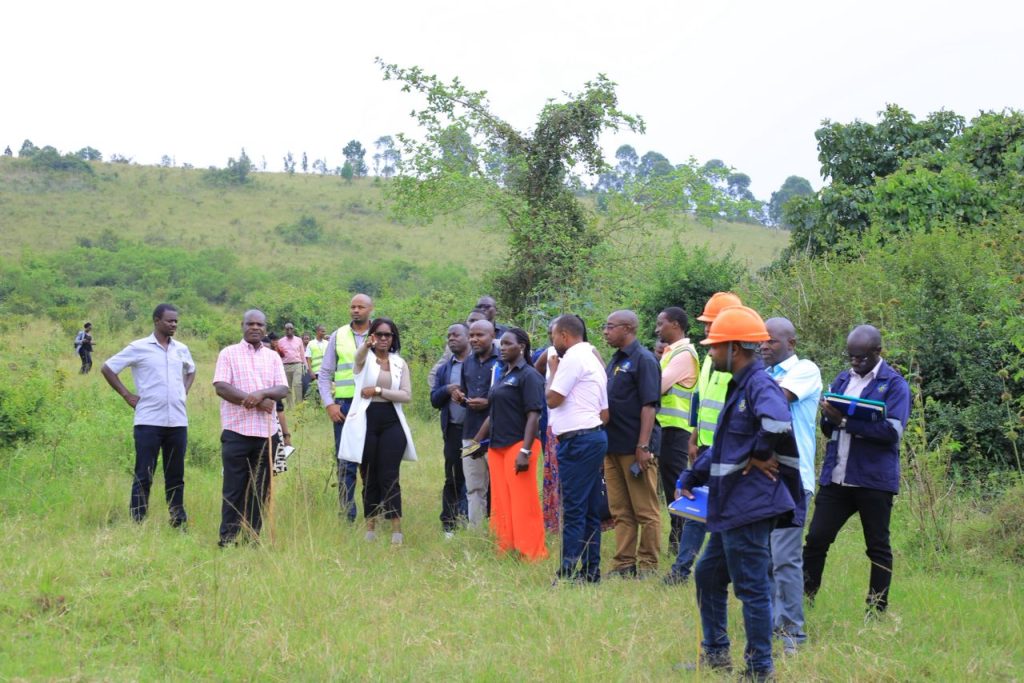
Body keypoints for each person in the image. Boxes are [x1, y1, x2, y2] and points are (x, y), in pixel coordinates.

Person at [679, 305, 805, 680]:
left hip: (751, 503)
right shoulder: (740, 385)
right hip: (731, 502)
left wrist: (761, 453)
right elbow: (724, 447)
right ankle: (716, 656)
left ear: (736, 348)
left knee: (752, 589)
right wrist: (692, 476)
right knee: (708, 576)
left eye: (715, 347)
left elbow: (778, 422)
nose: (710, 353)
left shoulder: (759, 385)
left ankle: (759, 670)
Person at [803, 324, 910, 615]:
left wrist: (846, 422)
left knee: (877, 546)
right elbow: (828, 429)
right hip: (837, 478)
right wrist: (828, 416)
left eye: (861, 357)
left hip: (873, 480)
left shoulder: (895, 385)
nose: (854, 362)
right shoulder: (841, 379)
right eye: (851, 356)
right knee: (815, 540)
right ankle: (804, 601)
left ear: (878, 352)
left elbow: (892, 433)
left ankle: (876, 611)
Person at [664, 292, 743, 586]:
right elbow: (701, 396)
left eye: (712, 322)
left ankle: (715, 572)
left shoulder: (739, 359)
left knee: (723, 514)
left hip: (730, 450)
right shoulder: (712, 355)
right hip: (707, 446)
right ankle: (681, 570)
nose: (707, 328)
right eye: (707, 323)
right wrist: (694, 435)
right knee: (696, 507)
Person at [101, 303, 196, 527]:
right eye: (169, 320)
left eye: (176, 321)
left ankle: (177, 520)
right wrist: (127, 395)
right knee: (144, 474)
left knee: (176, 475)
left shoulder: (181, 348)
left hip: (177, 422)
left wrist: (184, 390)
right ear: (156, 320)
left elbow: (191, 369)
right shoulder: (139, 347)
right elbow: (108, 368)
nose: (174, 324)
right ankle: (138, 522)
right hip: (149, 422)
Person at [759, 317, 822, 653]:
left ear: (791, 343)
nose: (764, 346)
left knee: (784, 557)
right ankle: (768, 627)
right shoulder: (763, 375)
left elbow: (776, 399)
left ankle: (792, 633)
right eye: (760, 341)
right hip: (762, 477)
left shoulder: (805, 370)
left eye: (771, 341)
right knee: (763, 557)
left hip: (792, 480)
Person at [212, 309, 289, 547]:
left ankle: (252, 538)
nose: (255, 328)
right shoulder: (228, 353)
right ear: (242, 326)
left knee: (260, 490)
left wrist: (262, 393)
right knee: (234, 488)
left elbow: (282, 389)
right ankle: (227, 538)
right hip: (237, 432)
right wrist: (255, 400)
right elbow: (222, 387)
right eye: (250, 324)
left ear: (265, 328)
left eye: (260, 324)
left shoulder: (273, 357)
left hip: (266, 434)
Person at [470, 328, 547, 560]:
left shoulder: (529, 375)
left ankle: (532, 553)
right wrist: (477, 442)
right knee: (501, 502)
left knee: (523, 501)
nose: (501, 348)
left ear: (522, 346)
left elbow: (534, 414)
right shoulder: (504, 373)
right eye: (500, 344)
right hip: (497, 446)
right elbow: (494, 413)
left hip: (519, 445)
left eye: (507, 344)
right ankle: (505, 548)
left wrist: (525, 450)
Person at [338, 318, 417, 545]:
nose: (383, 339)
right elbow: (357, 359)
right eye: (379, 334)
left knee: (390, 476)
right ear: (372, 336)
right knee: (370, 476)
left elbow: (406, 395)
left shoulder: (399, 363)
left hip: (392, 422)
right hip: (366, 422)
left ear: (393, 338)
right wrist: (366, 345)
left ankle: (396, 531)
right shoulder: (365, 359)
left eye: (388, 335)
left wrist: (379, 390)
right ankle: (370, 529)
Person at [546, 314, 609, 583]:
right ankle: (591, 571)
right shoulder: (594, 359)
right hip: (594, 437)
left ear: (563, 335)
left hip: (577, 442)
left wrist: (552, 371)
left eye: (552, 337)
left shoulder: (571, 358)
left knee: (573, 509)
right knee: (591, 509)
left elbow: (552, 399)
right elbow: (605, 413)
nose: (552, 343)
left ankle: (567, 573)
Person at [602, 309, 663, 578]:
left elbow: (649, 405)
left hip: (635, 448)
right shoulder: (615, 360)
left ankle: (648, 565)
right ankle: (624, 564)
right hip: (612, 446)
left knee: (645, 510)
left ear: (627, 328)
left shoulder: (644, 360)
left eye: (610, 326)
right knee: (620, 510)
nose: (605, 331)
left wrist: (643, 446)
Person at [318, 294, 374, 522]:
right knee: (345, 463)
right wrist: (329, 404)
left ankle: (373, 513)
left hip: (373, 405)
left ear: (371, 309)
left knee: (372, 461)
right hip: (344, 407)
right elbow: (324, 373)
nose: (356, 310)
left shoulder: (380, 332)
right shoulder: (339, 335)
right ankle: (347, 515)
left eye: (361, 307)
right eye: (352, 306)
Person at [654, 306, 699, 557]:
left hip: (676, 430)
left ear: (676, 325)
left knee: (676, 487)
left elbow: (656, 386)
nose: (657, 328)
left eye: (661, 323)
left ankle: (680, 542)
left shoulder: (684, 353)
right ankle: (676, 541)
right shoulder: (671, 352)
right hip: (666, 429)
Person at [430, 323, 472, 537]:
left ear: (468, 337)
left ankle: (472, 521)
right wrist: (447, 390)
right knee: (453, 477)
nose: (451, 338)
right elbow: (434, 401)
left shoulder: (480, 363)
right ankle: (449, 523)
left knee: (474, 478)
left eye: (456, 334)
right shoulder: (445, 368)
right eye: (448, 336)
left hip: (475, 432)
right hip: (454, 431)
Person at [460, 319, 501, 527]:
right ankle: (475, 533)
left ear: (492, 335)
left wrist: (488, 402)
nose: (474, 339)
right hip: (470, 433)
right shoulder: (468, 361)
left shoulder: (503, 359)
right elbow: (465, 389)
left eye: (479, 335)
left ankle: (501, 532)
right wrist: (460, 397)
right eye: (471, 335)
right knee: (474, 487)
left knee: (501, 487)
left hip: (498, 435)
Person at [277, 322, 306, 408]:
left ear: (293, 329)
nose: (289, 330)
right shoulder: (280, 341)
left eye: (291, 329)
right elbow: (278, 355)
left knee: (298, 384)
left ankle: (299, 405)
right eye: (287, 329)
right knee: (287, 387)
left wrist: (305, 366)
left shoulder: (299, 340)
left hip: (297, 364)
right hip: (285, 365)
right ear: (284, 330)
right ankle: (290, 406)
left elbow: (302, 354)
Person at [305, 325, 329, 404]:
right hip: (316, 372)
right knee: (317, 390)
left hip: (326, 371)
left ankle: (326, 404)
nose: (324, 333)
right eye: (322, 331)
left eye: (324, 331)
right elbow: (308, 358)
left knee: (327, 389)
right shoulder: (311, 343)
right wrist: (310, 371)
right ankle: (318, 406)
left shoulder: (327, 343)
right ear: (317, 332)